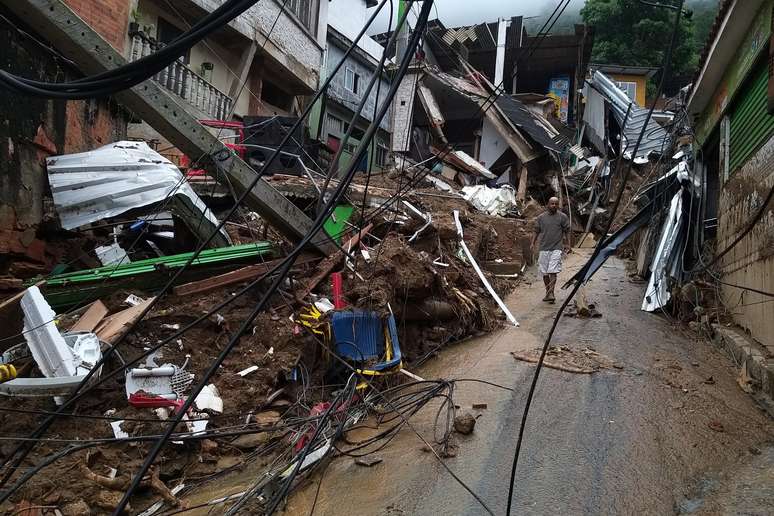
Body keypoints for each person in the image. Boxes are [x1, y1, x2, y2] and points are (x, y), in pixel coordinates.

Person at [531, 197, 571, 303]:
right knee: (544, 272)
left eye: (556, 204)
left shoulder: (562, 217)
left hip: (556, 248)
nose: (554, 205)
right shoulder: (541, 218)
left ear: (558, 205)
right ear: (548, 204)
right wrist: (532, 242)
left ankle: (552, 293)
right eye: (552, 203)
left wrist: (568, 244)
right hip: (544, 248)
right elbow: (536, 230)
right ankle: (548, 292)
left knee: (552, 271)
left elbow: (567, 230)